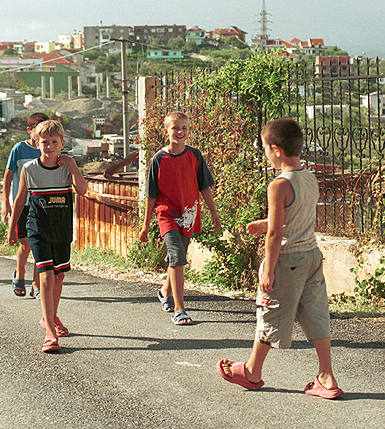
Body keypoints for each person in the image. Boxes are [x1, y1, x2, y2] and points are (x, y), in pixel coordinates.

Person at [217, 118, 343, 399]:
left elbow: (276, 235)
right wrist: (265, 222)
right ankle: (327, 377)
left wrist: (268, 271)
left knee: (269, 311)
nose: (264, 153)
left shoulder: (279, 185)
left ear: (275, 150)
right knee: (316, 314)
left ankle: (251, 371)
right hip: (311, 256)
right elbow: (298, 214)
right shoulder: (309, 177)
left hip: (287, 260)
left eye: (264, 148)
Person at [8, 120, 87, 353]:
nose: (50, 147)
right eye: (45, 142)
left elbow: (82, 190)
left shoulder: (67, 167)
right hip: (38, 229)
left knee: (59, 277)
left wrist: (72, 165)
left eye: (54, 142)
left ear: (62, 143)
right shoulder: (29, 169)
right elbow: (20, 200)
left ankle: (50, 317)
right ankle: (50, 332)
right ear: (36, 143)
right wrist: (13, 228)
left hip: (61, 230)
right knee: (47, 278)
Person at [139, 111, 222, 325]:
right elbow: (151, 195)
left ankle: (165, 291)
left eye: (184, 128)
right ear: (166, 131)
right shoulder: (158, 159)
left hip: (189, 214)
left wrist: (213, 212)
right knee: (177, 256)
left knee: (179, 256)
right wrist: (146, 226)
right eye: (175, 128)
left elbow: (204, 186)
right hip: (166, 214)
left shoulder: (195, 155)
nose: (180, 132)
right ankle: (179, 308)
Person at [2, 112, 49, 297]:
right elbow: (8, 175)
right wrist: (6, 202)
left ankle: (36, 285)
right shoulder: (19, 149)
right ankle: (19, 274)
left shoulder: (47, 149)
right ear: (29, 130)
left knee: (40, 245)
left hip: (42, 204)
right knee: (25, 244)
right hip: (22, 204)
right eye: (37, 130)